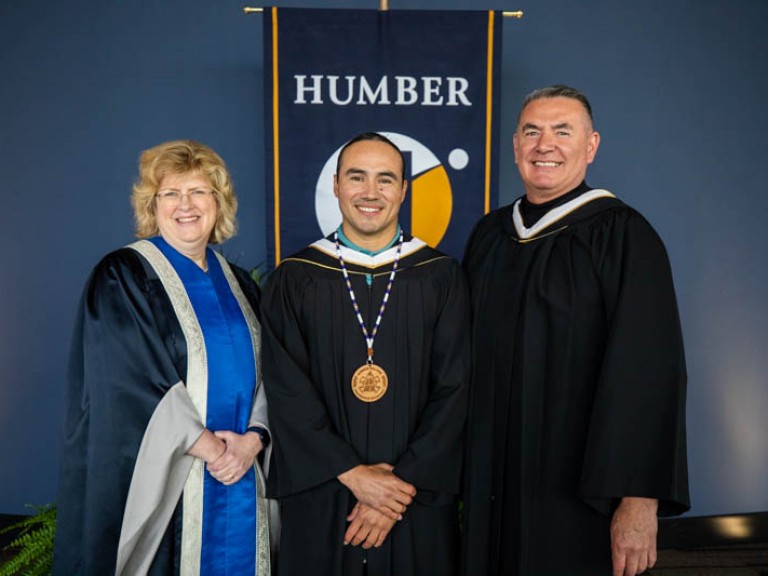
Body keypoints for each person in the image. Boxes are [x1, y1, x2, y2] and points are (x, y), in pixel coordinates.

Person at [461, 85, 690, 576]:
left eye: (563, 131)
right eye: (532, 132)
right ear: (516, 146)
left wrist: (638, 501)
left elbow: (649, 376)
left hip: (578, 492)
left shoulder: (625, 236)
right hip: (490, 486)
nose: (545, 145)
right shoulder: (489, 236)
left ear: (591, 146)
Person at [54, 140, 273, 575]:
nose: (185, 205)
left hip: (239, 471)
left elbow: (271, 374)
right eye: (170, 194)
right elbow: (124, 379)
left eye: (198, 192)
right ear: (152, 207)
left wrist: (253, 440)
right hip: (169, 480)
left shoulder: (242, 286)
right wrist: (211, 449)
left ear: (219, 202)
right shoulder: (124, 275)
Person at [261, 132, 470, 576]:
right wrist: (354, 475)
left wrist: (397, 489)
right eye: (357, 178)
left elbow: (456, 389)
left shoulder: (441, 277)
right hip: (325, 496)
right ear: (335, 186)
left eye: (385, 179)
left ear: (403, 189)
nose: (370, 193)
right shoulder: (295, 279)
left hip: (414, 501)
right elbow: (286, 391)